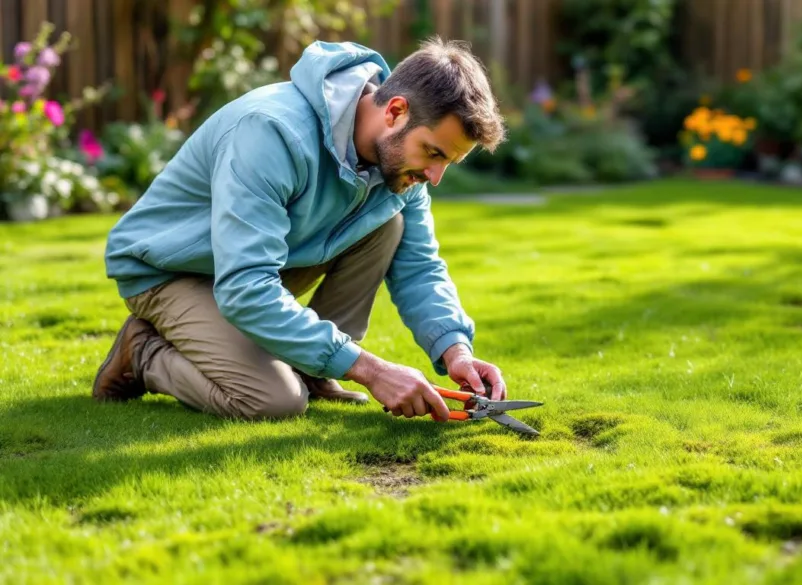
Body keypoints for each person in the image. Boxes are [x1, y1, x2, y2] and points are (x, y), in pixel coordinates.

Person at [92, 37, 509, 422]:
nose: (435, 176)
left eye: (447, 162)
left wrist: (455, 350)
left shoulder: (400, 171)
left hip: (255, 267)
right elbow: (245, 287)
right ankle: (142, 352)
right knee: (274, 400)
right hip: (171, 271)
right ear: (395, 111)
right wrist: (369, 369)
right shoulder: (271, 132)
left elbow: (419, 267)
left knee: (388, 225)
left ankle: (311, 370)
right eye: (433, 153)